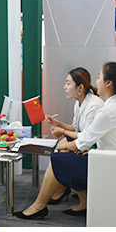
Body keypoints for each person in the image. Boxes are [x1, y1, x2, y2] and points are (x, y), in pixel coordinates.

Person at [15, 62, 116, 219]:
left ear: (108, 83)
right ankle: (68, 197)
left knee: (57, 157)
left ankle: (40, 205)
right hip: (114, 161)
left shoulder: (106, 111)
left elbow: (83, 141)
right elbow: (88, 135)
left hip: (109, 166)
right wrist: (67, 136)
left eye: (99, 77)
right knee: (65, 151)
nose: (96, 82)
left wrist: (65, 143)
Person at [37, 67, 105, 206]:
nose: (64, 87)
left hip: (94, 149)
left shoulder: (94, 105)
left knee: (61, 149)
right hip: (86, 143)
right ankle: (63, 190)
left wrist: (62, 131)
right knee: (61, 147)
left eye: (68, 83)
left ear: (80, 87)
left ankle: (56, 194)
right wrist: (58, 124)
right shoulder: (79, 102)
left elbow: (86, 136)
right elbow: (76, 128)